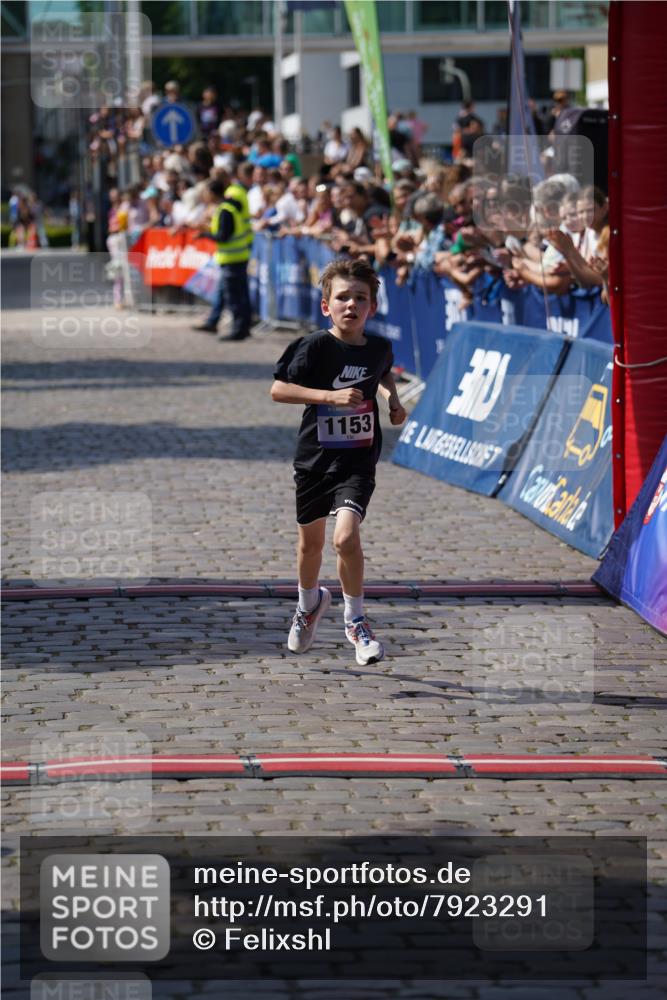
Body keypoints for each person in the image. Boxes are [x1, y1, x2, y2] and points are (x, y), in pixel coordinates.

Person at [270, 258, 407, 665]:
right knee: (309, 545)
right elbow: (278, 390)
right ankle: (308, 604)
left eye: (360, 298)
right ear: (326, 306)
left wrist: (393, 401)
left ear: (373, 307)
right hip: (314, 459)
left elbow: (381, 372)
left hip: (358, 459)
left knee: (345, 538)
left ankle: (356, 620)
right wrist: (329, 397)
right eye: (342, 297)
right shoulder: (313, 346)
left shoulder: (380, 347)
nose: (351, 304)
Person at [193, 164, 254, 340]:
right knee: (238, 295)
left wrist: (204, 235)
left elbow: (223, 236)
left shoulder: (225, 210)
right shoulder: (226, 208)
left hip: (232, 259)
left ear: (212, 193)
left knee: (234, 297)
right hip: (236, 258)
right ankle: (240, 327)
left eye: (206, 192)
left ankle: (238, 330)